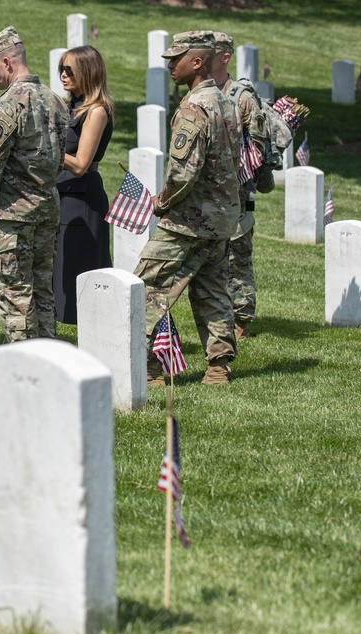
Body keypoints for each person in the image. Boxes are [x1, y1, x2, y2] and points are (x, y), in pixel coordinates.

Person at [134, 31, 241, 386]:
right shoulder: (227, 101)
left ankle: (151, 367)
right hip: (222, 218)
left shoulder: (195, 107)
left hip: (188, 221)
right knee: (212, 288)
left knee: (146, 285)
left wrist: (160, 201)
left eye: (175, 59)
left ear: (197, 62)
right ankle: (218, 367)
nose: (168, 65)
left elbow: (183, 172)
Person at [0, 26, 69, 342]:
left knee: (14, 291)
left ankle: (27, 362)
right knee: (42, 290)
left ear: (7, 62)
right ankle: (50, 355)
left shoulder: (8, 105)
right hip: (46, 209)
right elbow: (58, 161)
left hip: (12, 215)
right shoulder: (56, 101)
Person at [212, 32, 272, 341]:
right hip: (209, 194)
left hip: (236, 192)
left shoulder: (242, 96)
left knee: (237, 258)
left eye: (213, 52)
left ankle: (241, 316)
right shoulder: (201, 92)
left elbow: (256, 150)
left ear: (225, 57)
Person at [54, 45, 115, 325]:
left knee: (82, 272)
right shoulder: (72, 106)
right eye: (61, 69)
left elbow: (79, 165)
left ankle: (96, 336)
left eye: (70, 70)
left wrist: (46, 148)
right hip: (63, 196)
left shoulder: (96, 111)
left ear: (88, 72)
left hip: (82, 201)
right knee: (60, 272)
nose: (63, 75)